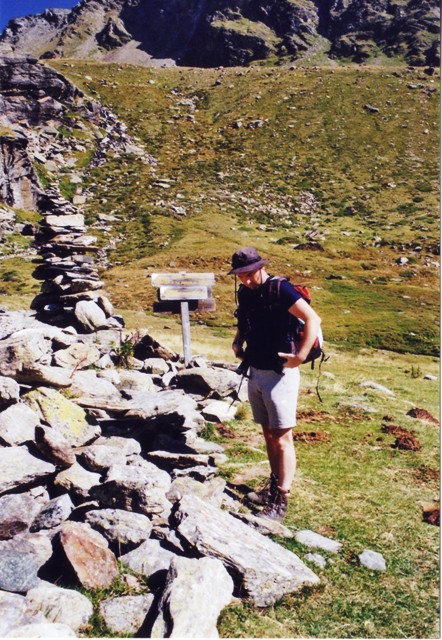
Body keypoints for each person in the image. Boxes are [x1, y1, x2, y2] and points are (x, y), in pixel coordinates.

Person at [229, 247, 321, 522]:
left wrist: (301, 356)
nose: (244, 279)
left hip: (280, 373)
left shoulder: (280, 289)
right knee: (269, 434)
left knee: (282, 438)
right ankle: (272, 488)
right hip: (255, 369)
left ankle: (281, 498)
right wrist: (237, 340)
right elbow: (244, 320)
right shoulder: (246, 293)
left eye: (248, 274)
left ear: (260, 267)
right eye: (240, 275)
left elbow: (312, 318)